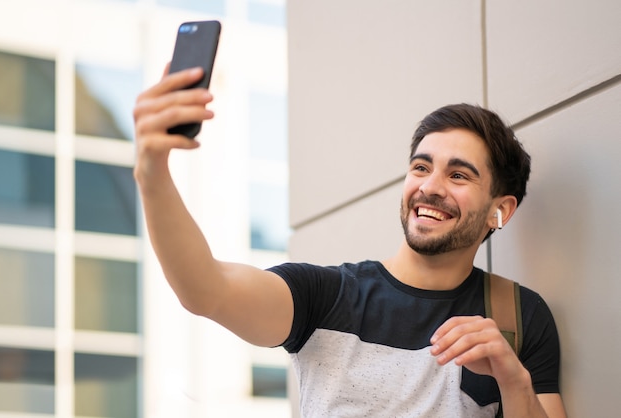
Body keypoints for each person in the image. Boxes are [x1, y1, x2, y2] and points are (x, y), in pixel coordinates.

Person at [133, 66, 567, 417]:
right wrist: (151, 173)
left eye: (457, 175)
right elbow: (204, 289)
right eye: (420, 167)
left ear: (501, 210)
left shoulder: (519, 316)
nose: (430, 187)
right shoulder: (325, 297)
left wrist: (513, 380)